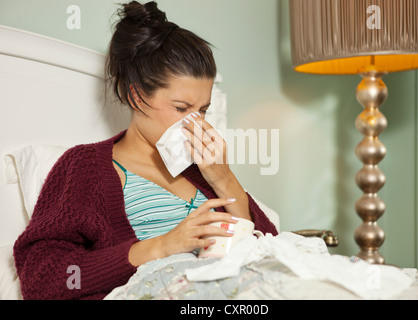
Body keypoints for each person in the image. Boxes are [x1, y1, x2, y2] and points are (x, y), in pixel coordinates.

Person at [13, 1, 277, 300]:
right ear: (136, 95)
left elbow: (275, 253)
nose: (196, 122)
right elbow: (42, 279)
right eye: (181, 108)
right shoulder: (84, 166)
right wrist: (161, 246)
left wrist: (225, 178)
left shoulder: (202, 168)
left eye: (203, 110)